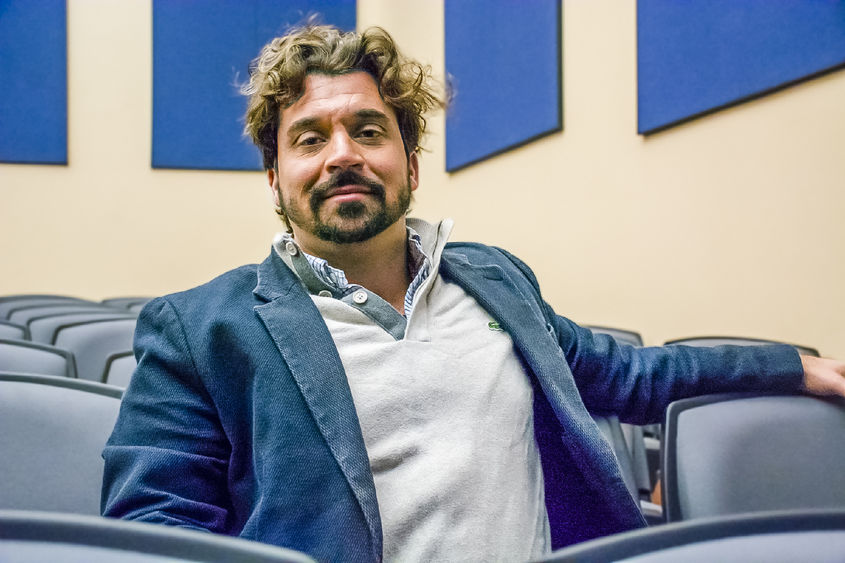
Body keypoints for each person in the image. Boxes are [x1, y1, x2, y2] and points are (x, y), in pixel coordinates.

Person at [101, 24, 845, 562]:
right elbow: (157, 532)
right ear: (274, 177)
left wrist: (793, 366)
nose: (342, 156)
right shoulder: (197, 330)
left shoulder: (494, 278)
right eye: (309, 138)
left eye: (367, 129)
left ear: (410, 165)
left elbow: (629, 374)